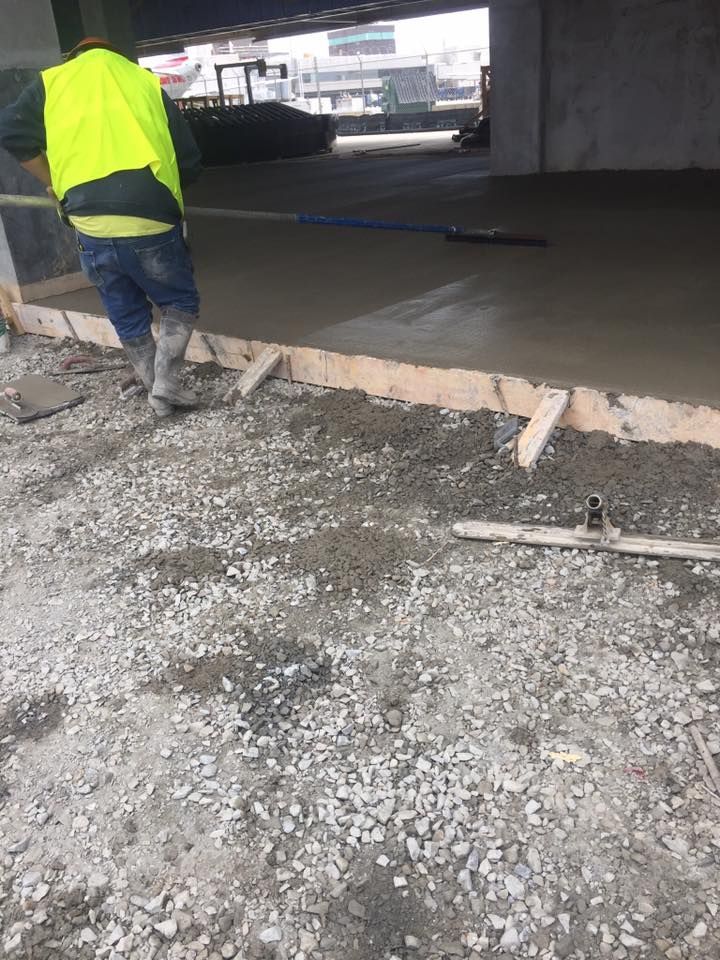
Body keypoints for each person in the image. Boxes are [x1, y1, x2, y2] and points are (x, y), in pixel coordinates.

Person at [0, 37, 203, 417]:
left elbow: (10, 132)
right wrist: (166, 195)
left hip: (87, 219)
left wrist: (54, 184)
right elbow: (190, 161)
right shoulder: (142, 81)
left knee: (125, 309)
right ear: (118, 57)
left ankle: (153, 386)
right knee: (179, 301)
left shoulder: (52, 82)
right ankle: (165, 385)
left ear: (71, 58)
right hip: (150, 216)